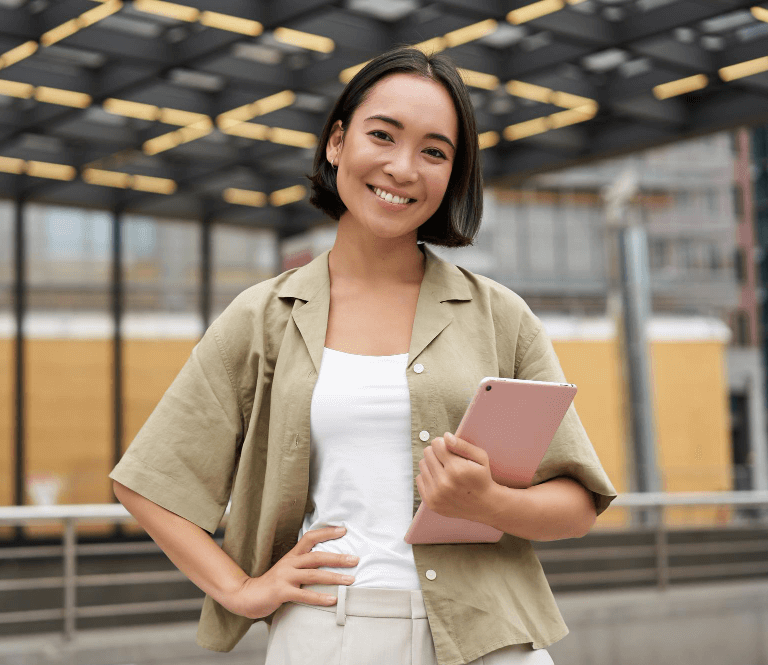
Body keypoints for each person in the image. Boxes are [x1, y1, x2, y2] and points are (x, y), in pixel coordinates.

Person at [110, 45, 617, 665]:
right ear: (337, 143)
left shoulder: (499, 316)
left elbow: (576, 503)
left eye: (435, 151)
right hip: (331, 633)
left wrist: (489, 503)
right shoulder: (264, 317)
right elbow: (149, 481)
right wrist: (241, 589)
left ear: (453, 175)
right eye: (383, 135)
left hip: (491, 638)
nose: (404, 167)